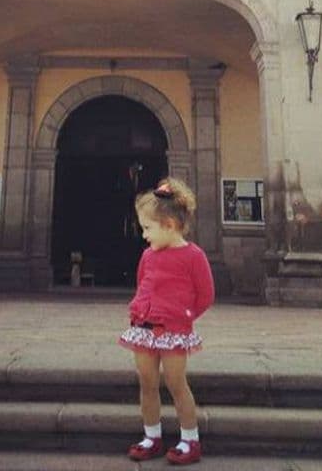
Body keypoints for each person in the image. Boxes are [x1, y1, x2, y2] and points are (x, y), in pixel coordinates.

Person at [118, 178, 215, 465]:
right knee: (147, 382)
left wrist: (183, 318)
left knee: (176, 383)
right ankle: (151, 436)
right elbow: (142, 285)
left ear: (170, 224)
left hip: (174, 331)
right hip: (143, 329)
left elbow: (206, 295)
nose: (144, 235)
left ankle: (190, 440)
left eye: (148, 228)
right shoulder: (148, 256)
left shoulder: (193, 256)